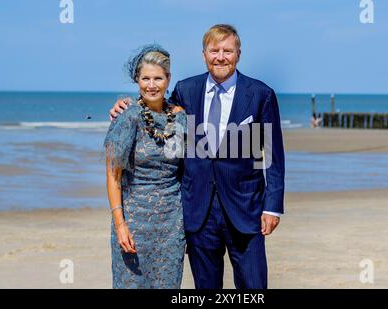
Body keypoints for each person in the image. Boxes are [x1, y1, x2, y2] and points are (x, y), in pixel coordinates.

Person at [110, 24, 285, 289]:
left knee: (254, 287)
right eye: (214, 51)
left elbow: (270, 155)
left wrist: (272, 206)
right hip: (198, 211)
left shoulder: (261, 95)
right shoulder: (186, 90)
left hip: (245, 209)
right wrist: (126, 105)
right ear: (204, 54)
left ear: (238, 53)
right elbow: (158, 108)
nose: (221, 57)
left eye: (227, 50)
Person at [104, 44, 186, 289]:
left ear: (168, 79)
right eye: (146, 78)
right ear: (137, 80)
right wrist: (120, 225)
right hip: (133, 223)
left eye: (158, 78)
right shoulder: (128, 117)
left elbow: (190, 168)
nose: (152, 85)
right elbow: (112, 176)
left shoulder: (180, 117)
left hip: (172, 223)